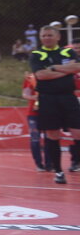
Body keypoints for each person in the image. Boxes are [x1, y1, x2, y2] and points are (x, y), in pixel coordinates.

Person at [29, 25, 80, 185]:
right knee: (52, 135)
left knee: (77, 132)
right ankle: (58, 171)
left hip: (68, 97)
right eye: (43, 36)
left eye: (50, 35)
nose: (46, 38)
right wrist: (66, 70)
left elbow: (77, 67)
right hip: (48, 98)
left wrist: (54, 68)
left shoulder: (68, 52)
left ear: (58, 37)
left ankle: (76, 162)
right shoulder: (37, 54)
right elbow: (41, 75)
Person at [24, 71, 48, 172]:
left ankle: (50, 163)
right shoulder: (30, 77)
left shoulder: (51, 76)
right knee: (35, 139)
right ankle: (38, 163)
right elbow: (25, 94)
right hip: (33, 113)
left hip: (48, 111)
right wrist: (35, 97)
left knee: (50, 138)